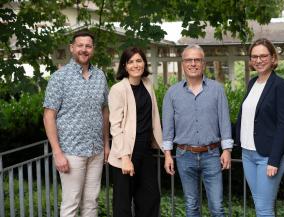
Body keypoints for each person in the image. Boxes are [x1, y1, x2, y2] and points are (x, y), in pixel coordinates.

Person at [43, 31, 110, 217]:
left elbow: (105, 111)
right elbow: (49, 116)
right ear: (72, 48)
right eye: (80, 45)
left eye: (88, 46)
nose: (84, 49)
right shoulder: (59, 77)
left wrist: (106, 144)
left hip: (95, 150)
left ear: (93, 49)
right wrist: (57, 153)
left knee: (91, 203)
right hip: (71, 152)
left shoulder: (100, 77)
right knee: (71, 203)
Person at [163, 44, 233, 217]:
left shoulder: (217, 90)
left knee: (217, 206)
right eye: (188, 60)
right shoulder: (172, 93)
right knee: (191, 205)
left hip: (212, 154)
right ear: (183, 64)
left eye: (197, 60)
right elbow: (168, 126)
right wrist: (167, 155)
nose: (193, 63)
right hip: (184, 155)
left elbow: (224, 121)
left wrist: (227, 150)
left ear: (203, 63)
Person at [235, 38, 284, 217]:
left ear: (273, 58)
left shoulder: (280, 85)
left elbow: (283, 124)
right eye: (254, 57)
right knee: (259, 203)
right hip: (247, 154)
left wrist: (274, 160)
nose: (258, 60)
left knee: (264, 208)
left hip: (267, 156)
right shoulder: (252, 83)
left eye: (263, 56)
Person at [108, 47, 163, 217]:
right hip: (125, 154)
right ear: (125, 66)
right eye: (131, 62)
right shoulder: (118, 89)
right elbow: (115, 126)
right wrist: (125, 158)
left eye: (139, 61)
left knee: (150, 200)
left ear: (144, 63)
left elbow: (154, 118)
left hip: (145, 152)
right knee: (123, 205)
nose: (135, 65)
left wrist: (163, 148)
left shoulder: (147, 84)